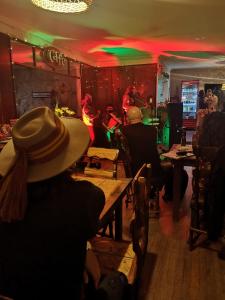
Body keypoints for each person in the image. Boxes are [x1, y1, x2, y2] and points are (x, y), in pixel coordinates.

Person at [0, 107, 105, 299]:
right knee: (118, 281)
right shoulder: (85, 198)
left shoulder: (6, 197)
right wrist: (86, 251)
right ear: (68, 157)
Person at [121, 106, 188, 202]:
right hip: (153, 171)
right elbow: (151, 150)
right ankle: (170, 197)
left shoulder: (123, 131)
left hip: (134, 171)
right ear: (141, 116)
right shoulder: (152, 130)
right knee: (180, 172)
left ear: (127, 118)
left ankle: (153, 192)